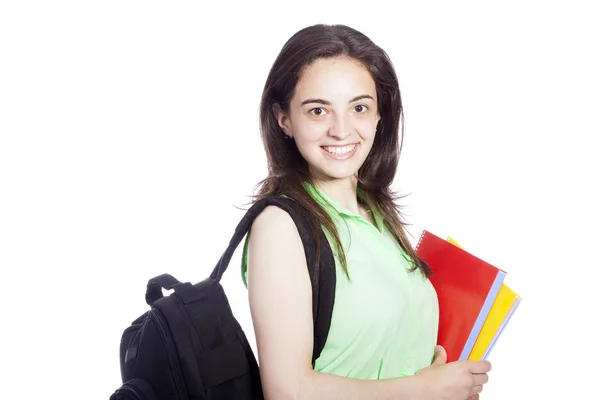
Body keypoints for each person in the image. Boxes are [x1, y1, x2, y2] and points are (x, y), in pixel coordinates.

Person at [240, 24, 492, 400]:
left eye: (359, 107)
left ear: (379, 115)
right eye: (318, 110)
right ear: (284, 119)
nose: (341, 130)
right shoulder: (280, 226)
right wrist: (424, 389)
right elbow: (288, 391)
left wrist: (439, 377)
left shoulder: (377, 213)